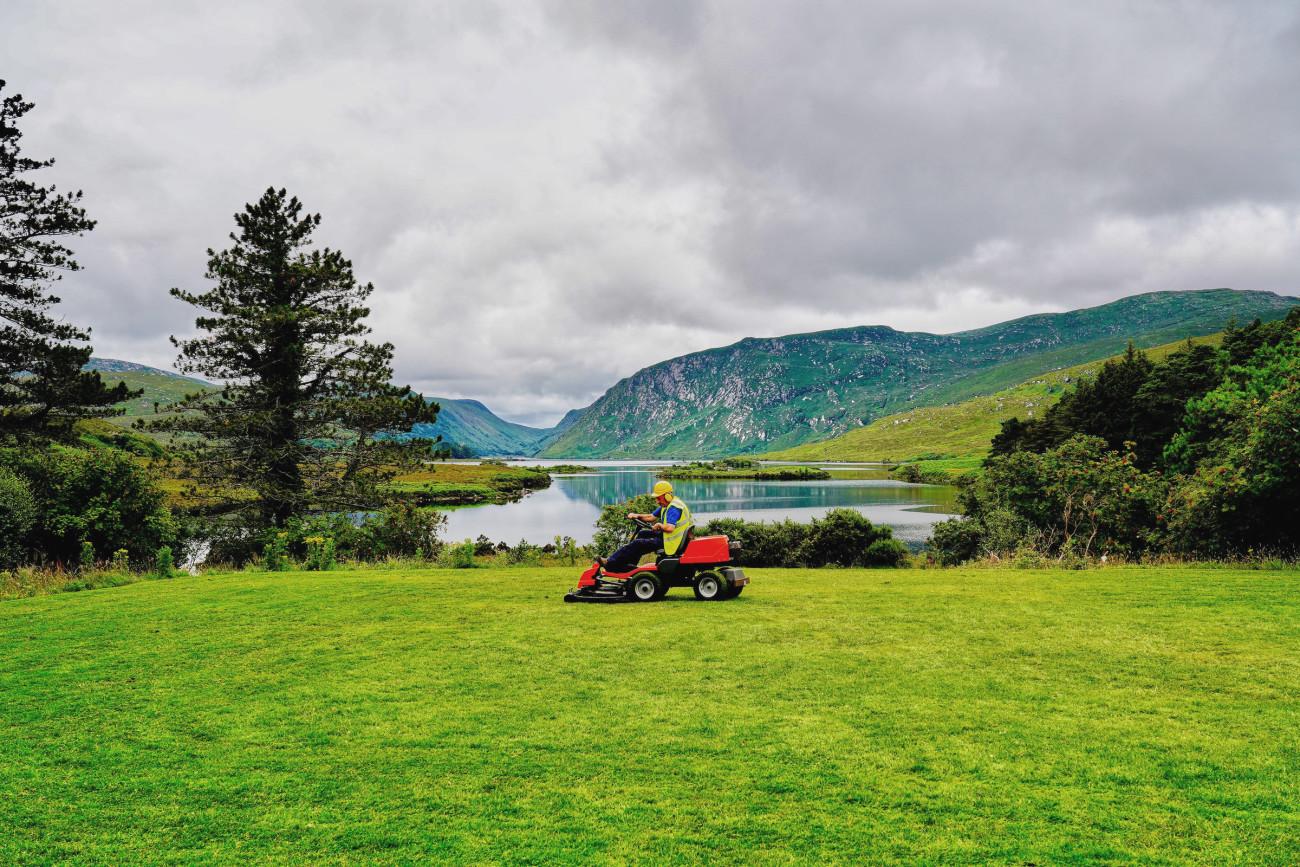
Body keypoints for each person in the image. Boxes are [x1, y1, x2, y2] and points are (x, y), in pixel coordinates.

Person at [596, 480, 694, 573]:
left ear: (667, 496)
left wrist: (659, 525)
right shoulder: (667, 505)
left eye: (658, 498)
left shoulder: (674, 508)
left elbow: (670, 528)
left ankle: (610, 562)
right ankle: (629, 565)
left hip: (672, 542)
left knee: (638, 543)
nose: (657, 501)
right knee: (642, 533)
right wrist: (637, 515)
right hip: (669, 538)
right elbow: (651, 517)